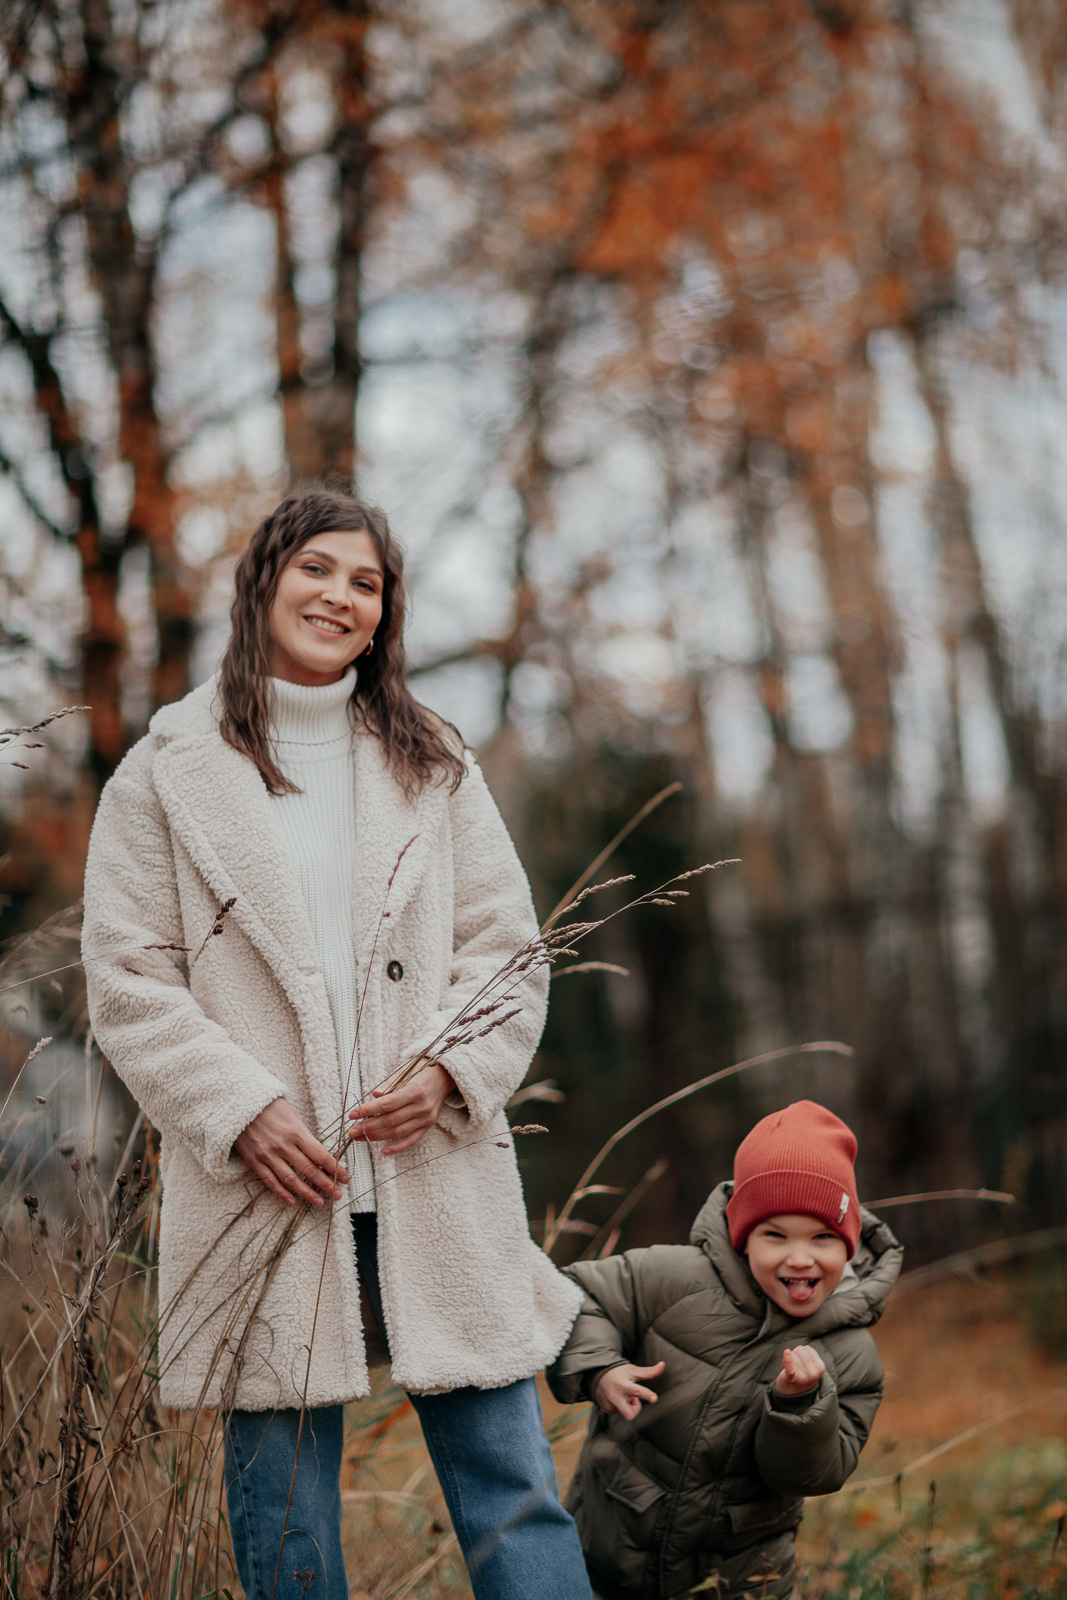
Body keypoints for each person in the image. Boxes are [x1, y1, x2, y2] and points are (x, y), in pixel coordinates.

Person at [81, 488, 593, 1600]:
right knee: (284, 1516)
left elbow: (507, 950)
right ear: (263, 582)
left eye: (367, 582)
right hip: (264, 1188)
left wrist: (449, 1069)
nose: (341, 595)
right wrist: (238, 1108)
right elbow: (127, 980)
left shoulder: (432, 759)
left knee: (511, 1485)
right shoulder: (162, 773)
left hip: (433, 1177)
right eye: (318, 568)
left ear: (382, 616)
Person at [547, 1100, 903, 1600]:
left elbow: (818, 1472)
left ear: (848, 1245)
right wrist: (601, 1369)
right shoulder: (669, 1279)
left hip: (740, 1579)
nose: (800, 1257)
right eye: (775, 1235)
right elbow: (577, 1297)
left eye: (823, 1237)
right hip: (612, 1548)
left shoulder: (851, 1355)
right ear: (743, 1237)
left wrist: (798, 1406)